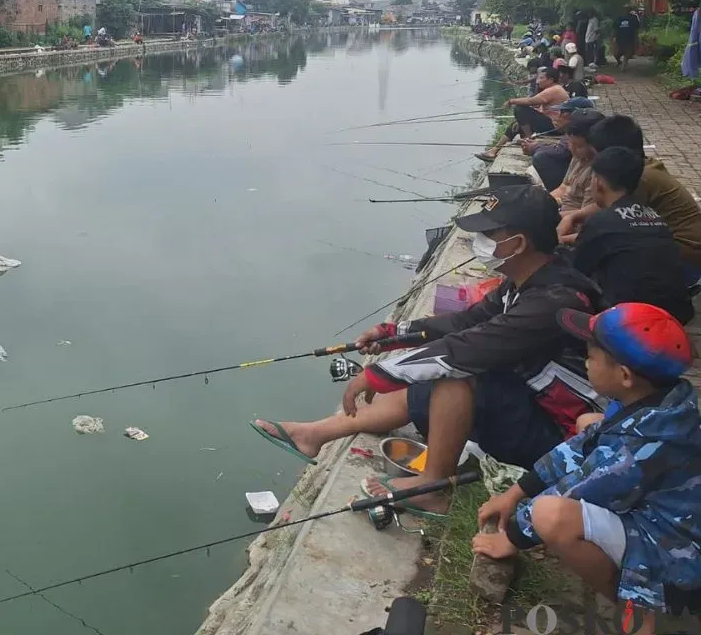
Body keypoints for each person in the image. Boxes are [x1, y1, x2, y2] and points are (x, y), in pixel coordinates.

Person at [250, 186, 603, 515]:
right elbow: (467, 323)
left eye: (488, 234)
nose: (477, 241)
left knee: (454, 374)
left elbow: (469, 348)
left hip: (565, 435)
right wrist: (393, 334)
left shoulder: (555, 301)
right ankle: (314, 435)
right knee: (425, 380)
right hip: (531, 405)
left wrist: (380, 373)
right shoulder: (527, 283)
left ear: (517, 243)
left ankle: (433, 488)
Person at [472, 303, 701, 635]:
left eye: (590, 356)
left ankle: (643, 609)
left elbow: (577, 488)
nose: (585, 362)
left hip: (675, 556)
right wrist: (516, 491)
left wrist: (512, 537)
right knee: (588, 424)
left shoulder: (638, 450)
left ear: (624, 375)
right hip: (662, 513)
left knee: (551, 516)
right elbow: (586, 444)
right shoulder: (656, 400)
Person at [559, 115, 701, 272]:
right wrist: (574, 216)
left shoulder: (639, 179)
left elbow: (609, 231)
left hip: (683, 251)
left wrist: (561, 239)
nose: (595, 161)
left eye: (598, 155)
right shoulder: (639, 169)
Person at [572, 147, 694, 324]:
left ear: (598, 183)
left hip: (631, 319)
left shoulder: (601, 221)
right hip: (676, 314)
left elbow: (578, 270)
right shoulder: (654, 215)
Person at [477, 67, 569, 162]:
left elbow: (530, 101)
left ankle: (529, 139)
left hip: (555, 127)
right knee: (515, 125)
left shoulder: (554, 90)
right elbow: (540, 108)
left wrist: (511, 101)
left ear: (551, 80)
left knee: (520, 108)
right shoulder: (554, 89)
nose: (538, 81)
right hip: (550, 123)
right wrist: (521, 121)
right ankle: (494, 150)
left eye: (541, 78)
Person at [526, 100, 595, 191]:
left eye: (562, 113)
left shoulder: (592, 172)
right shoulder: (575, 155)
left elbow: (562, 151)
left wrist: (535, 147)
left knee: (541, 157)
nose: (557, 117)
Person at [553, 111, 605, 213]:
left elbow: (584, 214)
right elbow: (563, 187)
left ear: (594, 145)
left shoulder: (597, 172)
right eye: (569, 142)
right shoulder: (578, 157)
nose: (571, 148)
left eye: (578, 146)